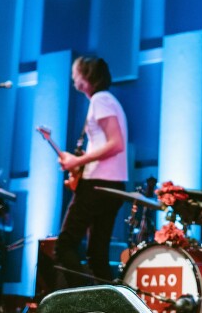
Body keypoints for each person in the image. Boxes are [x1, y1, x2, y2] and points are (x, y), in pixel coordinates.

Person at [56, 56, 128, 286]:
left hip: (97, 184)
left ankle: (83, 303)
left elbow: (116, 143)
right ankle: (107, 306)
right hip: (111, 185)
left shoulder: (100, 100)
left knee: (65, 245)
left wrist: (78, 162)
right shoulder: (108, 100)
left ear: (86, 77)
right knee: (97, 256)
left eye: (75, 72)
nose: (72, 76)